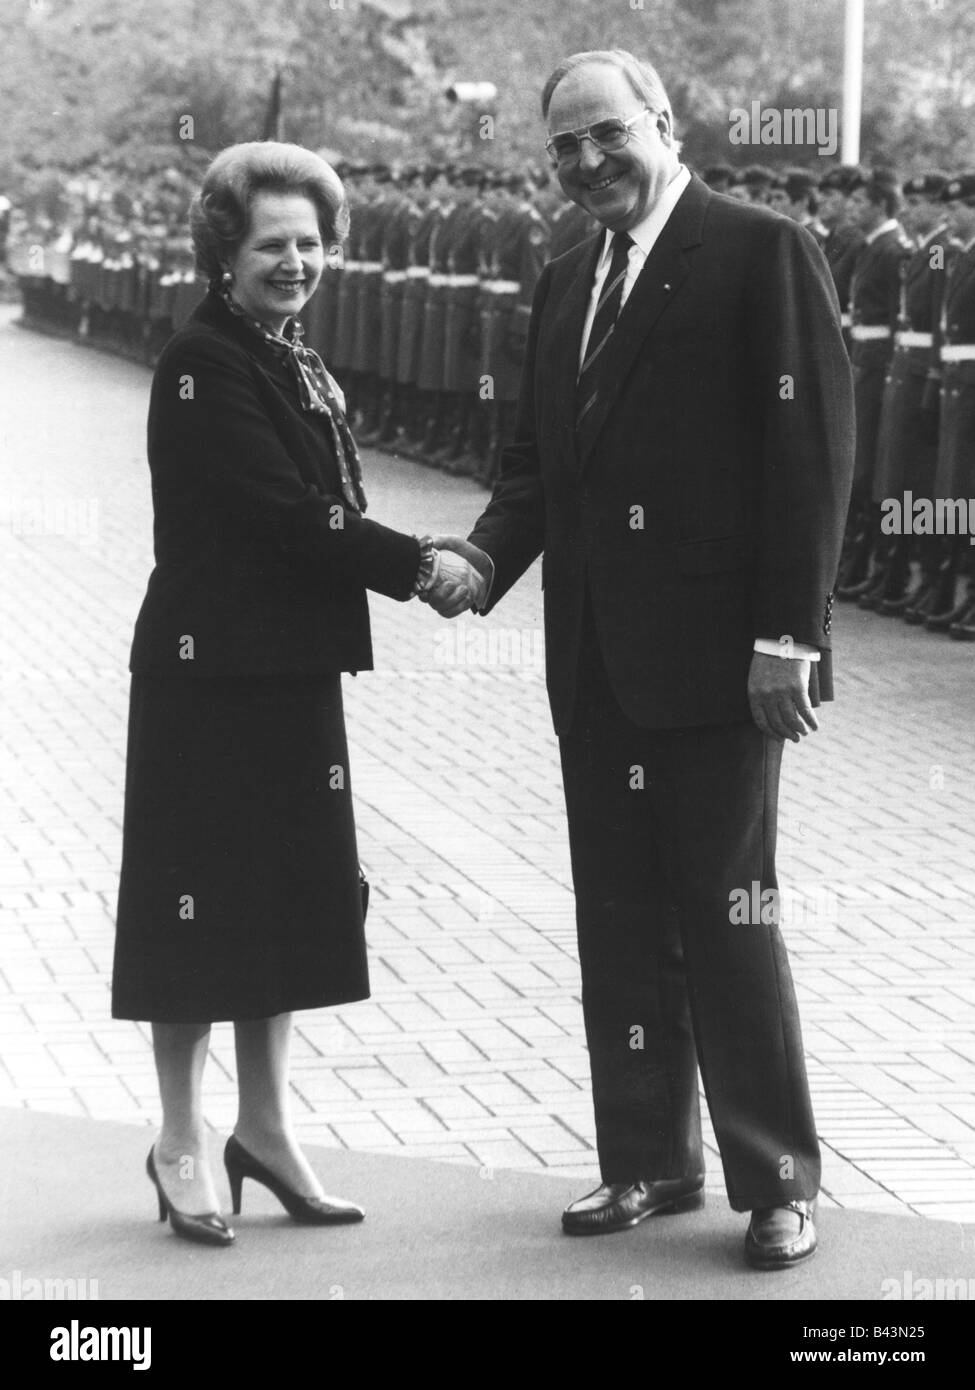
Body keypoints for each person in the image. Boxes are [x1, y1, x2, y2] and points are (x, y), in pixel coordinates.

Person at [427, 49, 854, 1269]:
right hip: (595, 666)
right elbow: (534, 471)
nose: (586, 164)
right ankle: (650, 1163)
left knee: (729, 915)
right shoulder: (564, 274)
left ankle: (776, 1178)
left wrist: (792, 635)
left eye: (607, 135)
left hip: (727, 668)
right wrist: (478, 564)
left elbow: (812, 455)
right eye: (562, 148)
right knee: (618, 917)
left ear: (664, 124)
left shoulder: (762, 248)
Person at [112, 141, 479, 1246]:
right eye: (272, 243)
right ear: (225, 252)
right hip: (205, 677)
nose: (296, 261)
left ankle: (265, 1130)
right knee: (194, 903)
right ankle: (181, 1136)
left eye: (311, 243)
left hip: (285, 672)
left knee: (280, 897)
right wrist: (421, 564)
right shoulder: (203, 360)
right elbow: (286, 511)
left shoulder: (286, 354)